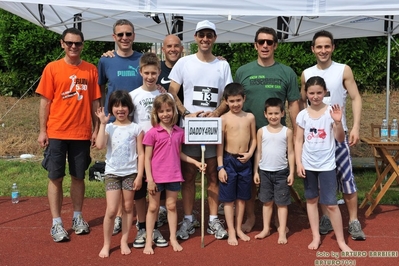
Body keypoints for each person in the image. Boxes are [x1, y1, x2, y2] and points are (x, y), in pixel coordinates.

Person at [169, 20, 233, 240]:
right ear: (195, 37)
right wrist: (185, 113)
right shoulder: (183, 63)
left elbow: (228, 96)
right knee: (188, 176)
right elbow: (172, 91)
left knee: (213, 174)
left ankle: (213, 219)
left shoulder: (223, 65)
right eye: (201, 35)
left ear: (214, 38)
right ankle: (188, 219)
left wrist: (216, 113)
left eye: (209, 35)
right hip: (190, 128)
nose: (205, 39)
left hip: (213, 128)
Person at [36, 28, 101, 242]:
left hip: (81, 133)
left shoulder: (91, 70)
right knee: (55, 176)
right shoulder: (52, 68)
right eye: (70, 43)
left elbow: (95, 102)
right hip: (56, 132)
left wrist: (96, 129)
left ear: (83, 45)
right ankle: (56, 223)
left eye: (78, 43)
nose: (74, 47)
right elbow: (45, 102)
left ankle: (77, 216)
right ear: (62, 44)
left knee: (78, 176)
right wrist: (43, 130)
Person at [300, 30, 365, 240]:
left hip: (337, 135)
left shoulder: (343, 70)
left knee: (346, 178)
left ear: (333, 47)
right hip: (315, 138)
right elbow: (303, 103)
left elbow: (355, 98)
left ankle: (353, 221)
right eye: (319, 47)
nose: (323, 50)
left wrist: (355, 127)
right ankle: (325, 217)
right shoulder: (306, 73)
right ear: (312, 49)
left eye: (327, 46)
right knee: (319, 182)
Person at [234, 27, 300, 233]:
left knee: (279, 175)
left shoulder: (287, 72)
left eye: (269, 42)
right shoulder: (243, 71)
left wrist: (298, 132)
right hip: (248, 135)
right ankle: (252, 217)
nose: (265, 45)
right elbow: (235, 102)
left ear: (275, 45)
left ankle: (279, 221)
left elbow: (293, 104)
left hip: (277, 136)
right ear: (255, 45)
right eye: (261, 42)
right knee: (251, 179)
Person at [97, 19, 146, 237]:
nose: (124, 38)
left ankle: (141, 221)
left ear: (134, 36)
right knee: (118, 169)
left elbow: (153, 80)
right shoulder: (105, 60)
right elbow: (99, 91)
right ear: (113, 37)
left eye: (128, 34)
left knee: (138, 173)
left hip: (138, 126)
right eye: (120, 35)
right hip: (114, 126)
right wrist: (98, 123)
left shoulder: (142, 59)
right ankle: (118, 217)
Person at [143, 94, 205, 254]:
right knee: (153, 207)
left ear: (174, 111)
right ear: (156, 113)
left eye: (168, 110)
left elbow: (179, 154)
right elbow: (147, 158)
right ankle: (149, 240)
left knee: (171, 206)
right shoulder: (152, 133)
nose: (165, 114)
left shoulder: (178, 132)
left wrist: (196, 162)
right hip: (156, 177)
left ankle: (172, 238)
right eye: (162, 111)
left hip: (174, 175)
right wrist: (149, 179)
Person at [295, 76, 352, 251]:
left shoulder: (331, 112)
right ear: (306, 93)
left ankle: (341, 241)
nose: (315, 96)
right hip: (308, 164)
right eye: (311, 93)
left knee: (331, 204)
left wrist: (337, 122)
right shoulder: (302, 114)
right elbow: (298, 141)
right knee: (311, 200)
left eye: (319, 92)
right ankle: (315, 236)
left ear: (325, 92)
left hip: (327, 165)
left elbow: (340, 139)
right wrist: (298, 163)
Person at [95, 90, 144, 258]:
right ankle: (107, 243)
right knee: (111, 210)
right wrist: (101, 124)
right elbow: (100, 145)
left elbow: (141, 154)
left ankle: (124, 240)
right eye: (116, 106)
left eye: (124, 105)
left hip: (130, 173)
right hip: (113, 173)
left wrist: (139, 175)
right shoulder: (108, 127)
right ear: (111, 108)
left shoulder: (136, 128)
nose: (120, 109)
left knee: (129, 207)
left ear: (129, 108)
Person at [129, 52, 168, 248]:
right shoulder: (133, 95)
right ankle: (142, 225)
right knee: (140, 190)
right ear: (141, 72)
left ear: (160, 72)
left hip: (161, 152)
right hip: (139, 150)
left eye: (154, 73)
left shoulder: (164, 95)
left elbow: (172, 119)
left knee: (157, 189)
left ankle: (155, 225)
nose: (151, 76)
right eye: (147, 73)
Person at [216, 83, 256, 246]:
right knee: (228, 200)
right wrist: (220, 167)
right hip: (228, 160)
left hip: (245, 161)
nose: (235, 104)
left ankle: (238, 228)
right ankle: (231, 230)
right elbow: (219, 144)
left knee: (242, 198)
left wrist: (250, 153)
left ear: (244, 99)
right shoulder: (223, 118)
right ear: (226, 101)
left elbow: (254, 139)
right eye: (231, 101)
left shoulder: (250, 117)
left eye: (238, 100)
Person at [253, 97, 294, 244]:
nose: (273, 116)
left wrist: (291, 172)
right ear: (265, 114)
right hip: (264, 171)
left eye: (276, 113)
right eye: (270, 113)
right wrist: (256, 171)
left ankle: (282, 231)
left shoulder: (287, 132)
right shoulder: (261, 131)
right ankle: (265, 228)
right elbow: (258, 152)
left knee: (282, 203)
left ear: (282, 113)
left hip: (281, 172)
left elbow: (290, 153)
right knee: (266, 202)